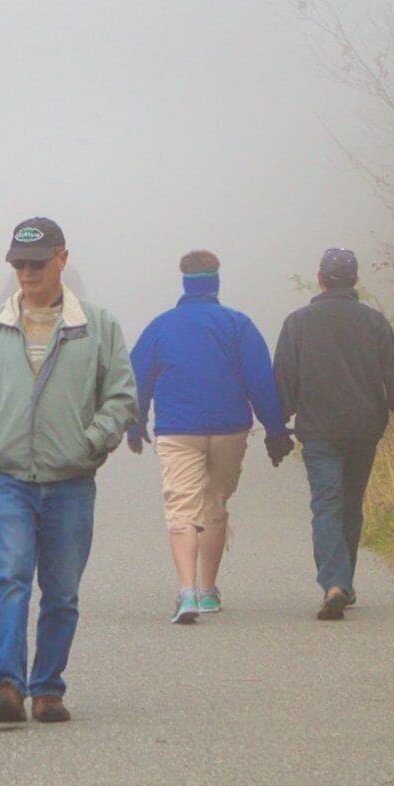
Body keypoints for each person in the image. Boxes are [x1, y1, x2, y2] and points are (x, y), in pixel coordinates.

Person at [0, 216, 136, 726]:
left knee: (61, 592)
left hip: (71, 482)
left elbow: (121, 396)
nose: (27, 272)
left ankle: (48, 689)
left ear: (62, 258)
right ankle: (7, 685)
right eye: (18, 263)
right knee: (9, 577)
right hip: (11, 480)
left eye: (36, 262)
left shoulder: (97, 326)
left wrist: (90, 442)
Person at [127, 249, 289, 624]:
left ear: (184, 281)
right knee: (215, 504)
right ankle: (208, 589)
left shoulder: (161, 327)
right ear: (216, 280)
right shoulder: (237, 325)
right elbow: (260, 381)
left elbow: (138, 379)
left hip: (178, 429)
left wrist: (135, 425)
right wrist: (276, 430)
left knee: (181, 508)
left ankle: (186, 592)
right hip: (229, 427)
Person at [273, 247, 394, 622]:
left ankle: (335, 583)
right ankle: (343, 582)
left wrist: (277, 428)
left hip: (319, 431)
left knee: (326, 505)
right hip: (363, 430)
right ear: (355, 280)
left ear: (320, 279)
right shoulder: (374, 322)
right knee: (350, 506)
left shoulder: (298, 323)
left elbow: (283, 381)